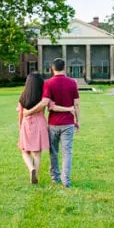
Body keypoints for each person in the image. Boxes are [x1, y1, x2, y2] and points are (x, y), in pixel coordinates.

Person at [17, 72, 74, 184]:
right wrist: (69, 109)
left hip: (26, 123)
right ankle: (35, 175)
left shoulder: (23, 95)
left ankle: (31, 169)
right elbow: (53, 107)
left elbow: (20, 113)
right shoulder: (43, 94)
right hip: (40, 124)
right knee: (37, 153)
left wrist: (20, 126)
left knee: (24, 151)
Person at [43, 58, 80, 188]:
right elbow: (76, 104)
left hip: (53, 123)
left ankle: (55, 178)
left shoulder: (48, 83)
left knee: (53, 152)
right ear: (65, 68)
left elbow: (48, 105)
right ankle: (66, 181)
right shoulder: (72, 83)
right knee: (67, 152)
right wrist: (77, 120)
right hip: (68, 122)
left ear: (52, 68)